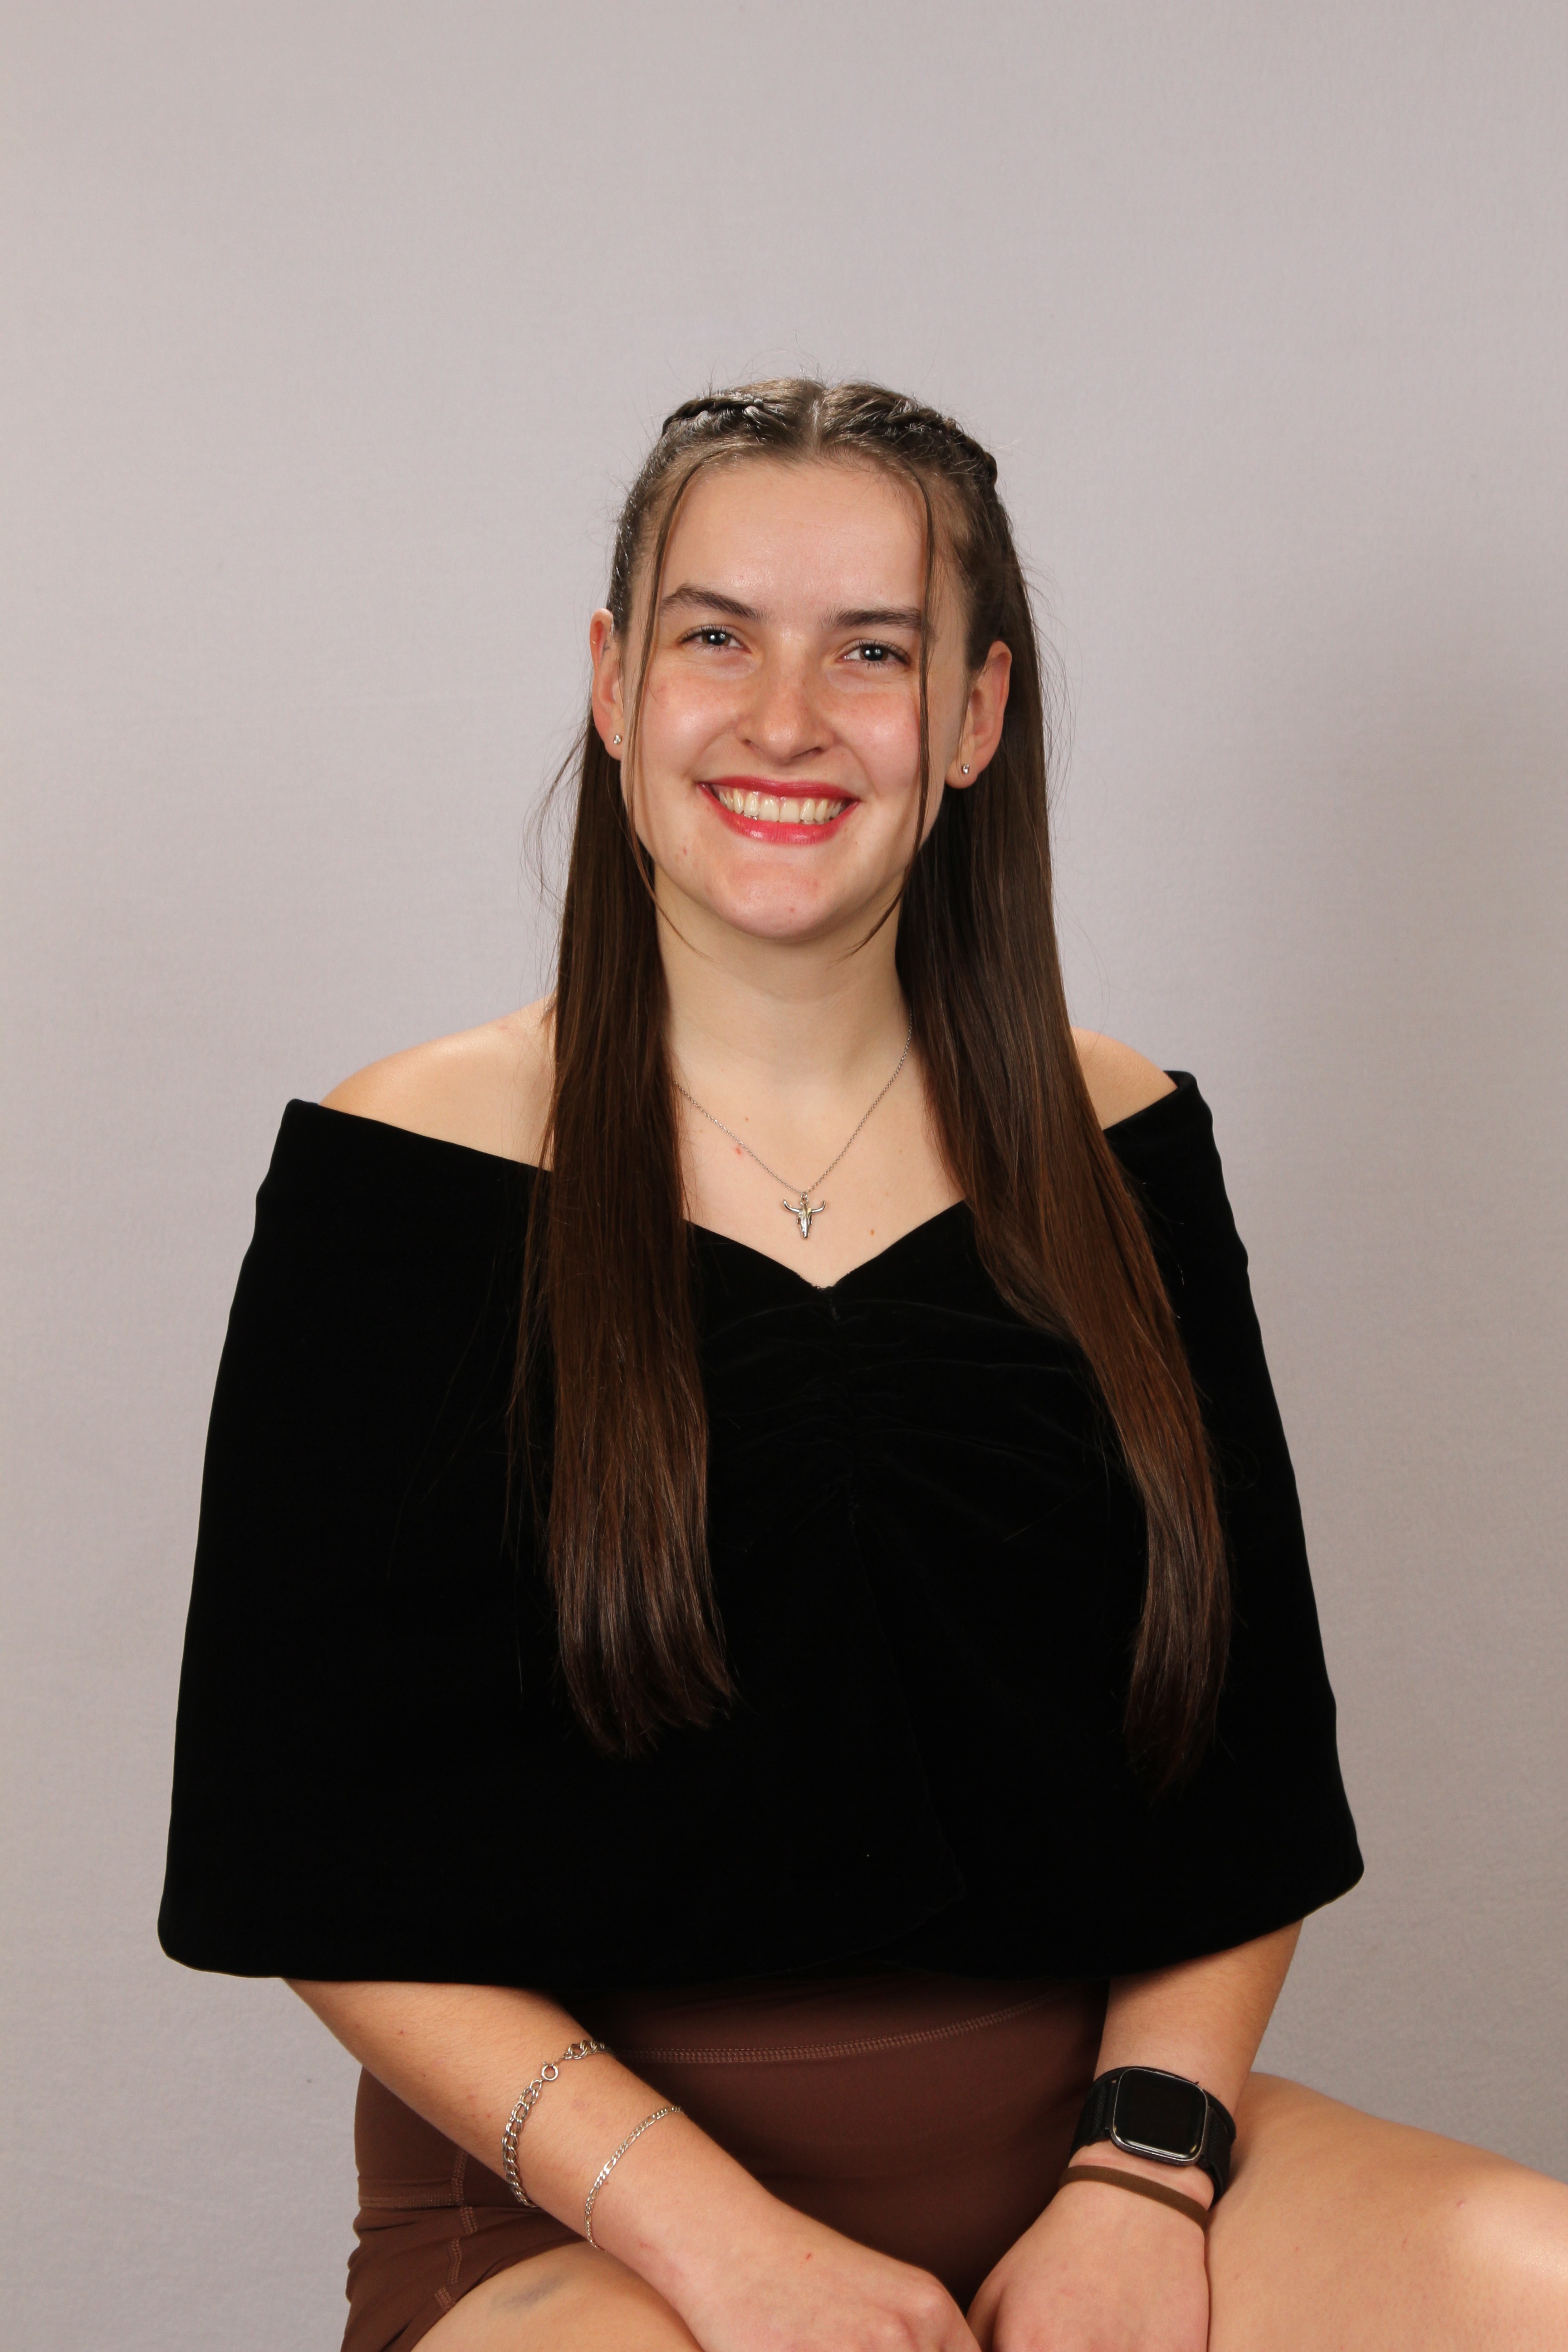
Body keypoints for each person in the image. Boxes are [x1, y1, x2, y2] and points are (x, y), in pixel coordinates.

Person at [158, 380, 1568, 2351]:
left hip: (1089, 2154)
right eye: (716, 637)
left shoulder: (1124, 1144)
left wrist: (1141, 2183)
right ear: (614, 683)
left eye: (873, 652)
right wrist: (727, 2251)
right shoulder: (399, 1172)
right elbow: (300, 1856)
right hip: (590, 2220)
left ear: (976, 715)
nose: (787, 719)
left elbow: (1241, 1774)